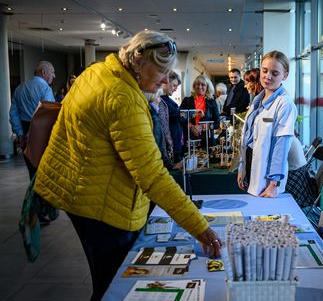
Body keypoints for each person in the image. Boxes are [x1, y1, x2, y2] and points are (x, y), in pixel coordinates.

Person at [33, 30, 222, 301]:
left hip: (81, 187)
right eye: (160, 71)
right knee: (113, 285)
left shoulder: (97, 71)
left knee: (106, 276)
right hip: (101, 202)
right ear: (137, 61)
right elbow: (152, 175)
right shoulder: (123, 98)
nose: (164, 81)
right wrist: (200, 227)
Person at [237, 51, 297, 198]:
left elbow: (281, 147)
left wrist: (273, 184)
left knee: (264, 217)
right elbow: (248, 138)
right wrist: (241, 168)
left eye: (275, 73)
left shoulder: (285, 104)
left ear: (285, 75)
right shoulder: (257, 100)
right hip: (251, 165)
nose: (267, 76)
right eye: (264, 71)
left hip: (267, 175)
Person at [9, 60, 56, 179]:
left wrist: (20, 134)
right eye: (52, 72)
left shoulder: (20, 88)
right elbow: (48, 113)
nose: (54, 76)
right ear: (44, 72)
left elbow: (13, 113)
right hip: (42, 133)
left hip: (24, 132)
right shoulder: (45, 89)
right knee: (44, 172)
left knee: (31, 171)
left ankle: (31, 195)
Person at [180, 75, 220, 146]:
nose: (200, 87)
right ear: (194, 86)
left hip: (208, 140)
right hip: (190, 139)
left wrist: (202, 127)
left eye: (203, 85)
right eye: (197, 84)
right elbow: (180, 118)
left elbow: (217, 123)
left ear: (207, 87)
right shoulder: (187, 100)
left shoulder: (212, 102)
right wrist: (191, 127)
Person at [161, 71, 184, 163]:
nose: (175, 89)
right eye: (174, 85)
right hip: (169, 144)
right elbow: (177, 117)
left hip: (175, 143)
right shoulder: (160, 100)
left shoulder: (167, 99)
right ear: (165, 82)